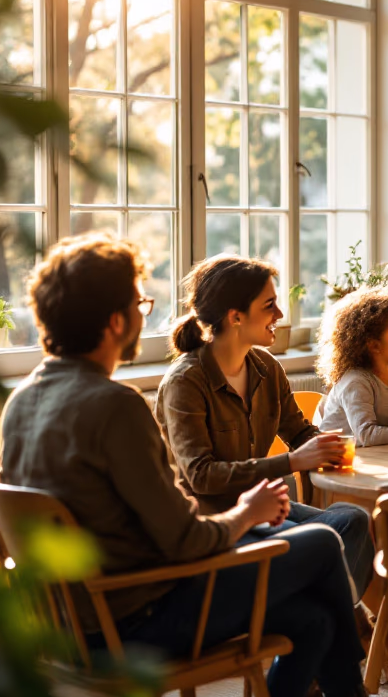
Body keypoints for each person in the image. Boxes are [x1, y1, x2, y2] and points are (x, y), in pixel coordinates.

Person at [0, 233, 388, 697]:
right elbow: (186, 540)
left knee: (313, 619)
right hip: (135, 622)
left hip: (66, 624)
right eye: (140, 302)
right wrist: (247, 513)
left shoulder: (21, 401)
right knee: (322, 541)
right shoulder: (115, 406)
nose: (145, 313)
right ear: (116, 320)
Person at [156, 255, 375, 600]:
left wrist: (328, 446)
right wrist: (291, 462)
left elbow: (299, 432)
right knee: (325, 539)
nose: (280, 314)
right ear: (235, 316)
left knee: (354, 519)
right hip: (220, 521)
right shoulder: (185, 381)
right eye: (269, 305)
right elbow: (201, 476)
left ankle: (328, 617)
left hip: (267, 509)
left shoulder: (266, 367)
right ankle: (334, 618)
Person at [315, 286, 388, 445]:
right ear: (374, 345)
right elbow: (366, 435)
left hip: (371, 454)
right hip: (336, 458)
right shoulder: (356, 382)